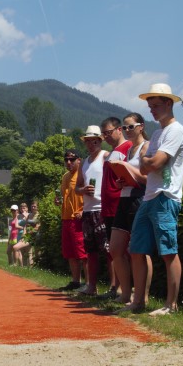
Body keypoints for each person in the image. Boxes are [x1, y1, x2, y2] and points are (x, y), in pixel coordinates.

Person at [129, 84, 183, 316]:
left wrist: (148, 160)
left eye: (155, 105)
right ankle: (139, 302)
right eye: (150, 106)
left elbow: (153, 163)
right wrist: (148, 161)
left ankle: (170, 305)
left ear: (168, 103)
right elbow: (145, 167)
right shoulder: (156, 134)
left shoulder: (176, 131)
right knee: (136, 249)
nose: (151, 110)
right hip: (150, 196)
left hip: (166, 196)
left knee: (168, 251)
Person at [110, 113, 152, 307]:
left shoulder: (147, 147)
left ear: (141, 126)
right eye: (124, 127)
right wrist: (122, 179)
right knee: (115, 248)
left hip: (139, 199)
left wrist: (127, 169)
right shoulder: (129, 150)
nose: (127, 130)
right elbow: (132, 175)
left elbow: (149, 179)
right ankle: (126, 293)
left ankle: (142, 296)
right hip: (124, 198)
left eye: (130, 126)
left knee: (140, 251)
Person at [99, 117, 132, 299]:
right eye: (104, 134)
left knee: (125, 251)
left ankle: (129, 290)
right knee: (113, 252)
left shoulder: (128, 148)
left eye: (109, 132)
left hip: (121, 205)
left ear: (119, 129)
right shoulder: (111, 153)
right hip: (108, 208)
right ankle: (117, 288)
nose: (106, 136)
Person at [75, 125, 109, 296]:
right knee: (91, 251)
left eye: (94, 141)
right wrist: (83, 190)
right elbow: (77, 187)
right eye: (87, 141)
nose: (90, 144)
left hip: (103, 209)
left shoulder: (106, 156)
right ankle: (92, 287)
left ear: (100, 141)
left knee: (109, 251)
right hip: (88, 210)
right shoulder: (84, 162)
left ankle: (115, 287)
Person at [55, 149, 88, 290]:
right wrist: (58, 201)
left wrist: (83, 210)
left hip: (79, 218)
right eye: (66, 159)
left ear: (79, 160)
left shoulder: (84, 174)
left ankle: (89, 284)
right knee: (70, 253)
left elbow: (92, 194)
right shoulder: (65, 177)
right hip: (66, 218)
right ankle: (76, 282)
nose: (69, 162)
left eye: (72, 159)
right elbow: (64, 196)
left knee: (83, 253)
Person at [13, 201, 40, 266]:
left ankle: (34, 267)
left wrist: (29, 232)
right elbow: (26, 226)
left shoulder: (39, 215)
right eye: (32, 206)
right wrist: (24, 235)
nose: (33, 208)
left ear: (38, 207)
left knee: (37, 254)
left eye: (35, 206)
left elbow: (37, 227)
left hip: (37, 237)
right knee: (17, 248)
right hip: (28, 237)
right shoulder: (29, 215)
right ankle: (24, 267)